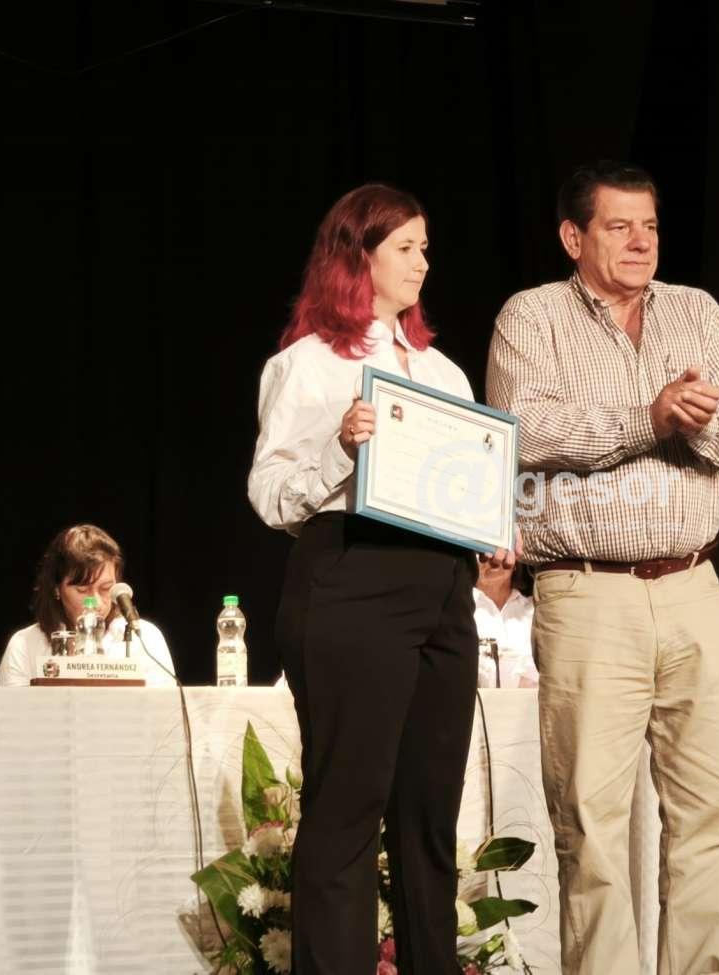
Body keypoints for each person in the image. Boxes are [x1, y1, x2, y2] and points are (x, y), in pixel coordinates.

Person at [486, 160, 719, 975]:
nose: (641, 241)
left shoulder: (695, 311)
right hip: (587, 591)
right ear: (573, 237)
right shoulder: (532, 316)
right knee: (594, 826)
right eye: (619, 226)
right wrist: (649, 418)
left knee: (718, 816)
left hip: (694, 586)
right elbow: (522, 430)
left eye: (650, 225)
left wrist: (697, 421)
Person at [248, 183, 512, 975]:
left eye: (425, 248)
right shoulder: (307, 365)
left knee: (431, 813)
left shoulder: (446, 373)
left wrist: (493, 515)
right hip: (351, 575)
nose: (422, 262)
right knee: (349, 805)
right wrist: (340, 448)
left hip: (441, 586)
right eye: (404, 247)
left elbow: (466, 479)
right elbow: (270, 494)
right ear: (357, 255)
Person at [0, 524, 177, 687]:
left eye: (105, 588)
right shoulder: (25, 643)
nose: (95, 602)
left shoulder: (144, 638)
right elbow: (7, 710)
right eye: (82, 590)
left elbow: (166, 709)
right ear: (56, 588)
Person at [473, 560, 536, 688]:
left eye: (502, 551)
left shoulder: (535, 611)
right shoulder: (457, 611)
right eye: (483, 553)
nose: (493, 558)